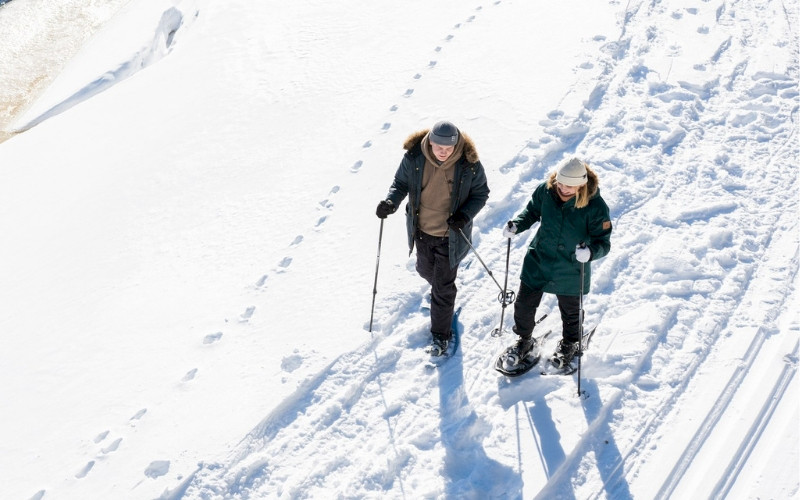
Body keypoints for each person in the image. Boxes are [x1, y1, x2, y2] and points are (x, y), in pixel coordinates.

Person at [376, 121, 490, 356]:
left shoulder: (469, 164)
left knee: (442, 287)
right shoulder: (415, 158)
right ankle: (443, 294)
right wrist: (390, 202)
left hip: (452, 235)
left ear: (456, 144)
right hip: (422, 231)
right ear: (430, 141)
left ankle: (441, 335)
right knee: (424, 270)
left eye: (448, 148)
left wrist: (465, 215)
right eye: (439, 146)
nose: (443, 152)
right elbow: (400, 184)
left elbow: (481, 193)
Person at [502, 157, 612, 368]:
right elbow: (532, 211)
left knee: (570, 312)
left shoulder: (596, 206)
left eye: (570, 186)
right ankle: (524, 340)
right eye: (560, 183)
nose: (563, 188)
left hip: (571, 266)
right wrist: (517, 225)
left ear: (582, 183)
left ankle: (570, 343)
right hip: (539, 259)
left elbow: (603, 242)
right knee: (524, 305)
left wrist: (590, 252)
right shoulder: (546, 190)